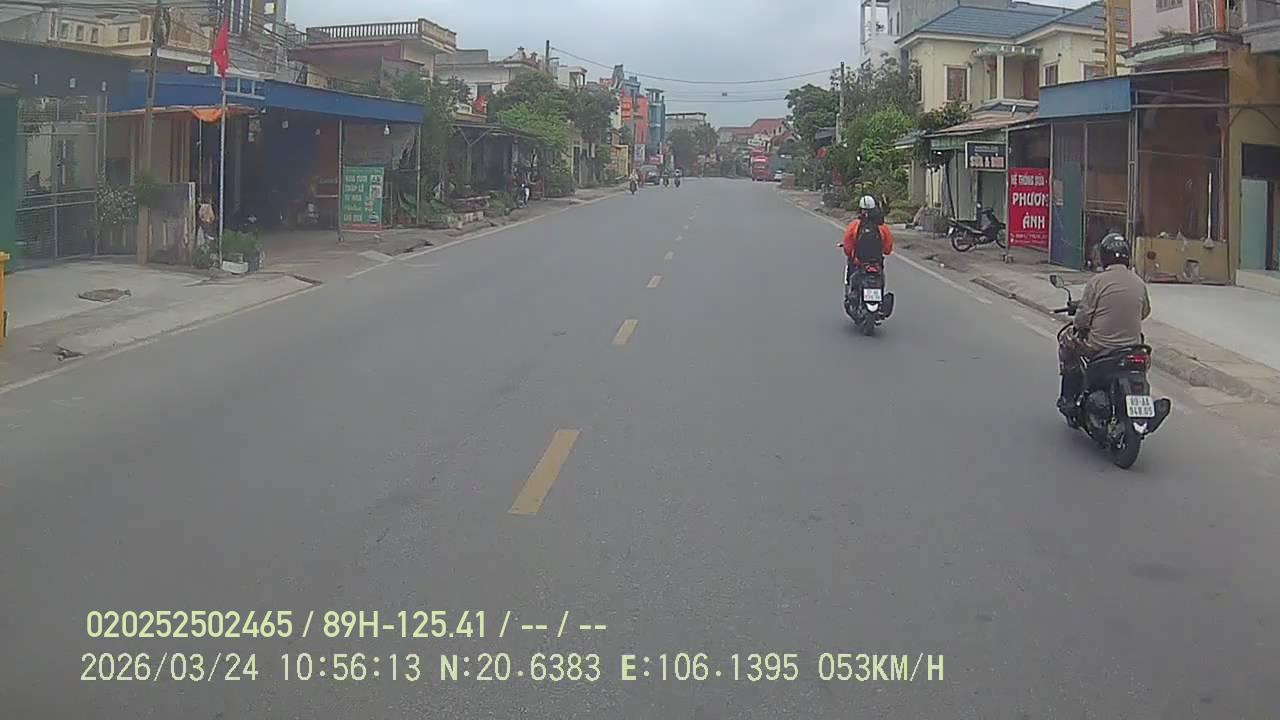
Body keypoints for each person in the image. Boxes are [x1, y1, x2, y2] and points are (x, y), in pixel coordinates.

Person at [1057, 233, 1152, 413]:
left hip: (1100, 346)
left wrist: (1079, 327)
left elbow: (1082, 319)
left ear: (1103, 257)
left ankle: (1068, 398)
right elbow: (1145, 312)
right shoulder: (1139, 283)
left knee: (1066, 339)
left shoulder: (1097, 282)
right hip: (1132, 347)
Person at [841, 195, 894, 291]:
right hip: (877, 264)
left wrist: (853, 255)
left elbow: (847, 248)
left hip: (858, 263)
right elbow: (887, 250)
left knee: (850, 275)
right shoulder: (882, 227)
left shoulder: (854, 225)